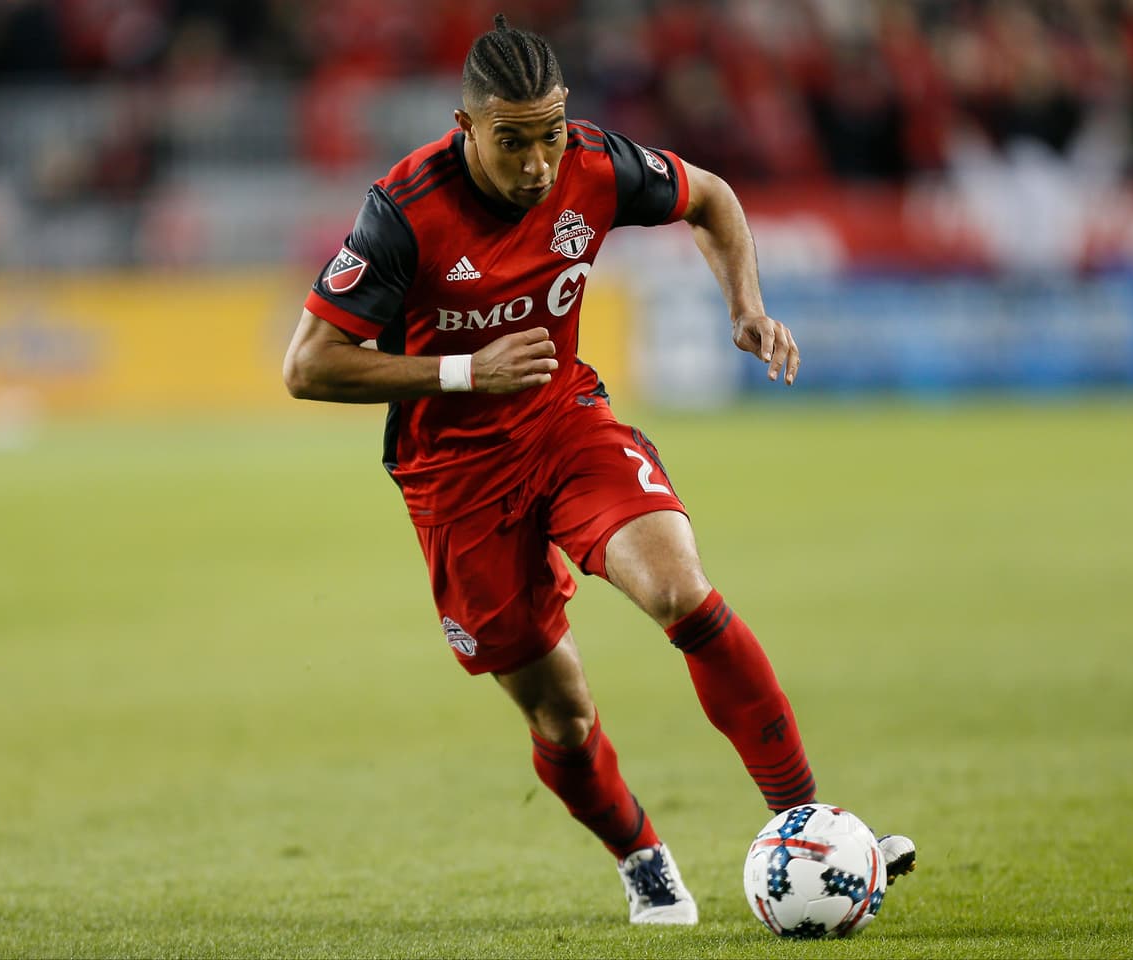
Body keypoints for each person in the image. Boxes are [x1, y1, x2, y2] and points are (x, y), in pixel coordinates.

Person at [284, 14, 915, 926]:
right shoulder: (404, 210)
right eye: (512, 141)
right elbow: (308, 364)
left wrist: (746, 305)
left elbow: (715, 200)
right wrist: (466, 371)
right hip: (455, 477)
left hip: (565, 424)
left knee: (681, 591)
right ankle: (641, 854)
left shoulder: (594, 163)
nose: (537, 163)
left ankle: (807, 824)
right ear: (465, 129)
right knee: (563, 716)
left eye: (548, 134)